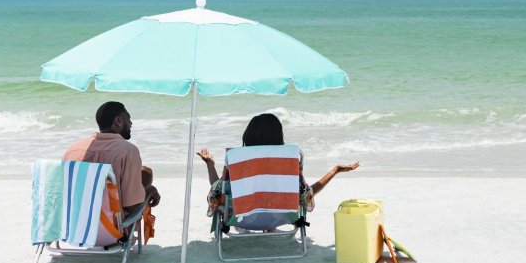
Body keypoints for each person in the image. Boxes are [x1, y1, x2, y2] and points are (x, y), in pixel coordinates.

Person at [196, 113, 359, 212]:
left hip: (241, 216)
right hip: (280, 216)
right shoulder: (287, 164)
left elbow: (218, 189)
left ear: (248, 137)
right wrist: (335, 170)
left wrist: (210, 164)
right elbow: (307, 195)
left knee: (219, 188)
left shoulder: (237, 161)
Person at [62, 101, 161, 221]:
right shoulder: (127, 151)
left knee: (144, 172)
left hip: (76, 225)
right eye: (128, 118)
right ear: (118, 121)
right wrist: (151, 190)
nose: (131, 123)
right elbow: (131, 206)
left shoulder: (72, 149)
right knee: (146, 175)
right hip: (110, 229)